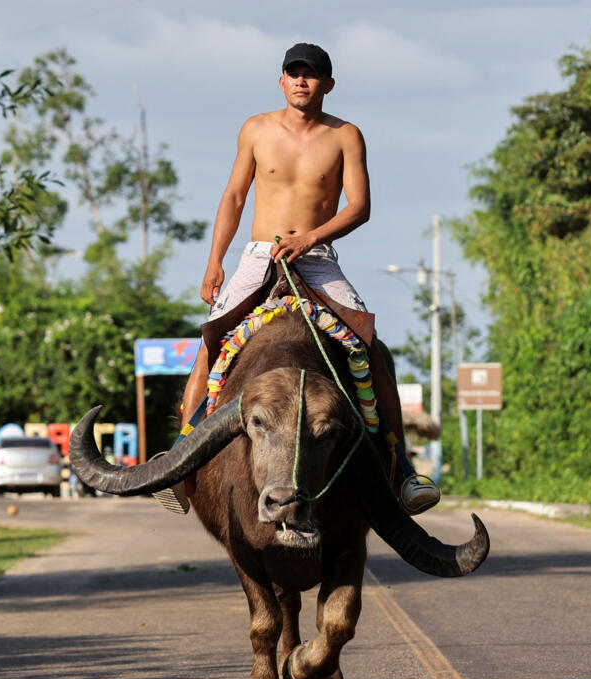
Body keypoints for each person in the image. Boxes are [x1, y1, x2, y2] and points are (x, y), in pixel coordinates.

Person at [161, 42, 439, 516]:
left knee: (369, 346)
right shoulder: (255, 128)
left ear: (328, 84)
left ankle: (403, 469)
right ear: (281, 80)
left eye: (310, 75)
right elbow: (233, 196)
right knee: (212, 338)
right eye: (293, 73)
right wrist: (215, 261)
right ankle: (179, 464)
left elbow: (359, 207)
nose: (301, 81)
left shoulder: (346, 135)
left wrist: (310, 238)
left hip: (317, 257)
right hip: (258, 254)